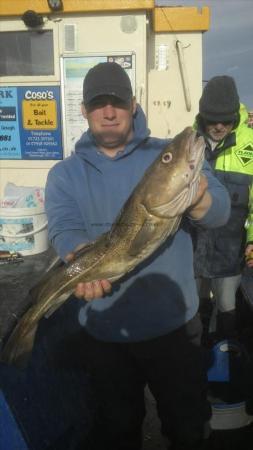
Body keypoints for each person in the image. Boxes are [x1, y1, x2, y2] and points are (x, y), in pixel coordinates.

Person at [45, 62, 230, 450]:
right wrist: (80, 257)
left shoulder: (168, 153)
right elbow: (64, 228)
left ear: (133, 104)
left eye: (117, 102)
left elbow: (220, 212)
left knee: (188, 428)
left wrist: (195, 196)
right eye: (98, 103)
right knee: (116, 431)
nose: (108, 112)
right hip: (104, 332)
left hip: (174, 329)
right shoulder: (65, 174)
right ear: (84, 110)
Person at [192, 75, 253, 340]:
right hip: (193, 249)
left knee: (227, 309)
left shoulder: (250, 144)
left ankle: (225, 363)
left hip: (231, 252)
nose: (218, 126)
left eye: (225, 121)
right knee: (194, 309)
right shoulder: (188, 141)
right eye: (211, 119)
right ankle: (195, 360)